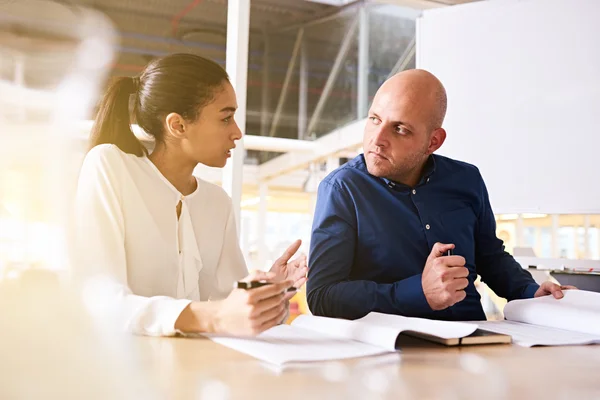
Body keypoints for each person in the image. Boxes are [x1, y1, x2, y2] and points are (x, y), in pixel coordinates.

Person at [307, 69, 574, 321]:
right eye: (375, 119)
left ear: (433, 141)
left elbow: (490, 257)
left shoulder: (466, 180)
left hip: (475, 341)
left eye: (399, 129)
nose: (377, 139)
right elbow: (321, 296)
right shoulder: (342, 189)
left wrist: (529, 291)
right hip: (395, 351)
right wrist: (417, 292)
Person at [74, 53, 307, 336]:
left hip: (192, 369)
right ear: (178, 125)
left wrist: (270, 291)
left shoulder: (218, 203)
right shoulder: (110, 166)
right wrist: (216, 316)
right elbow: (101, 300)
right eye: (226, 118)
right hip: (119, 372)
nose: (237, 132)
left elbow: (229, 309)